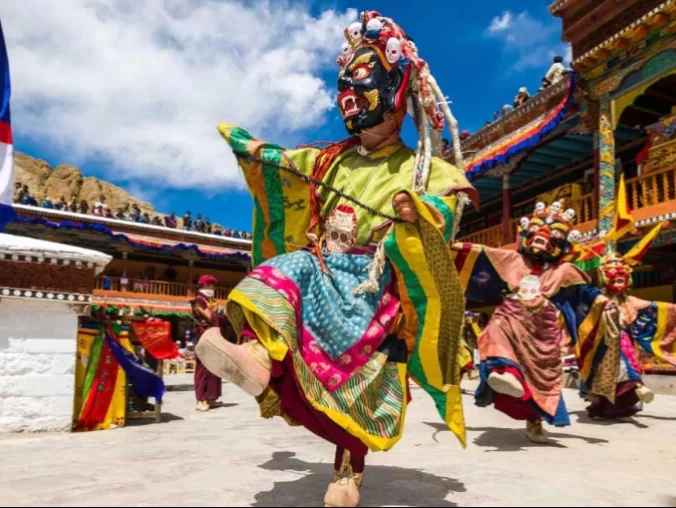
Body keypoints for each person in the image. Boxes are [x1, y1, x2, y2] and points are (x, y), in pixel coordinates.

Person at [195, 11, 476, 506]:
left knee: (359, 388)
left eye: (362, 75)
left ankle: (348, 472)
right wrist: (250, 146)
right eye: (344, 77)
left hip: (374, 288)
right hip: (324, 270)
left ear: (397, 87)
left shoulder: (421, 168)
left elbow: (448, 204)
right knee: (291, 267)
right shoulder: (330, 159)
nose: (348, 86)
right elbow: (284, 162)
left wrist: (419, 212)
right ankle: (256, 355)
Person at [455, 201, 589, 444]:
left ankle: (534, 422)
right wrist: (441, 248)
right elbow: (476, 254)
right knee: (493, 331)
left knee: (540, 374)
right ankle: (503, 372)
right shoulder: (511, 259)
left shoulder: (564, 271)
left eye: (554, 233)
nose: (544, 234)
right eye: (538, 228)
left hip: (542, 328)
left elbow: (586, 296)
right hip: (511, 312)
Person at [576, 177, 676, 419]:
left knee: (624, 365)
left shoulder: (628, 300)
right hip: (600, 341)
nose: (619, 282)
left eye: (622, 278)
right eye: (615, 277)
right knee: (601, 373)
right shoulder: (597, 296)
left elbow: (652, 306)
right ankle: (604, 404)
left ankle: (635, 389)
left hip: (622, 339)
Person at [191, 275, 225, 412]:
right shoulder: (198, 301)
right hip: (203, 336)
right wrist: (219, 313)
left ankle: (211, 398)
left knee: (214, 366)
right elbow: (210, 317)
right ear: (204, 286)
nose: (213, 288)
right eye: (210, 285)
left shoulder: (211, 301)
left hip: (214, 336)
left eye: (213, 286)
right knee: (203, 367)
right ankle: (201, 400)